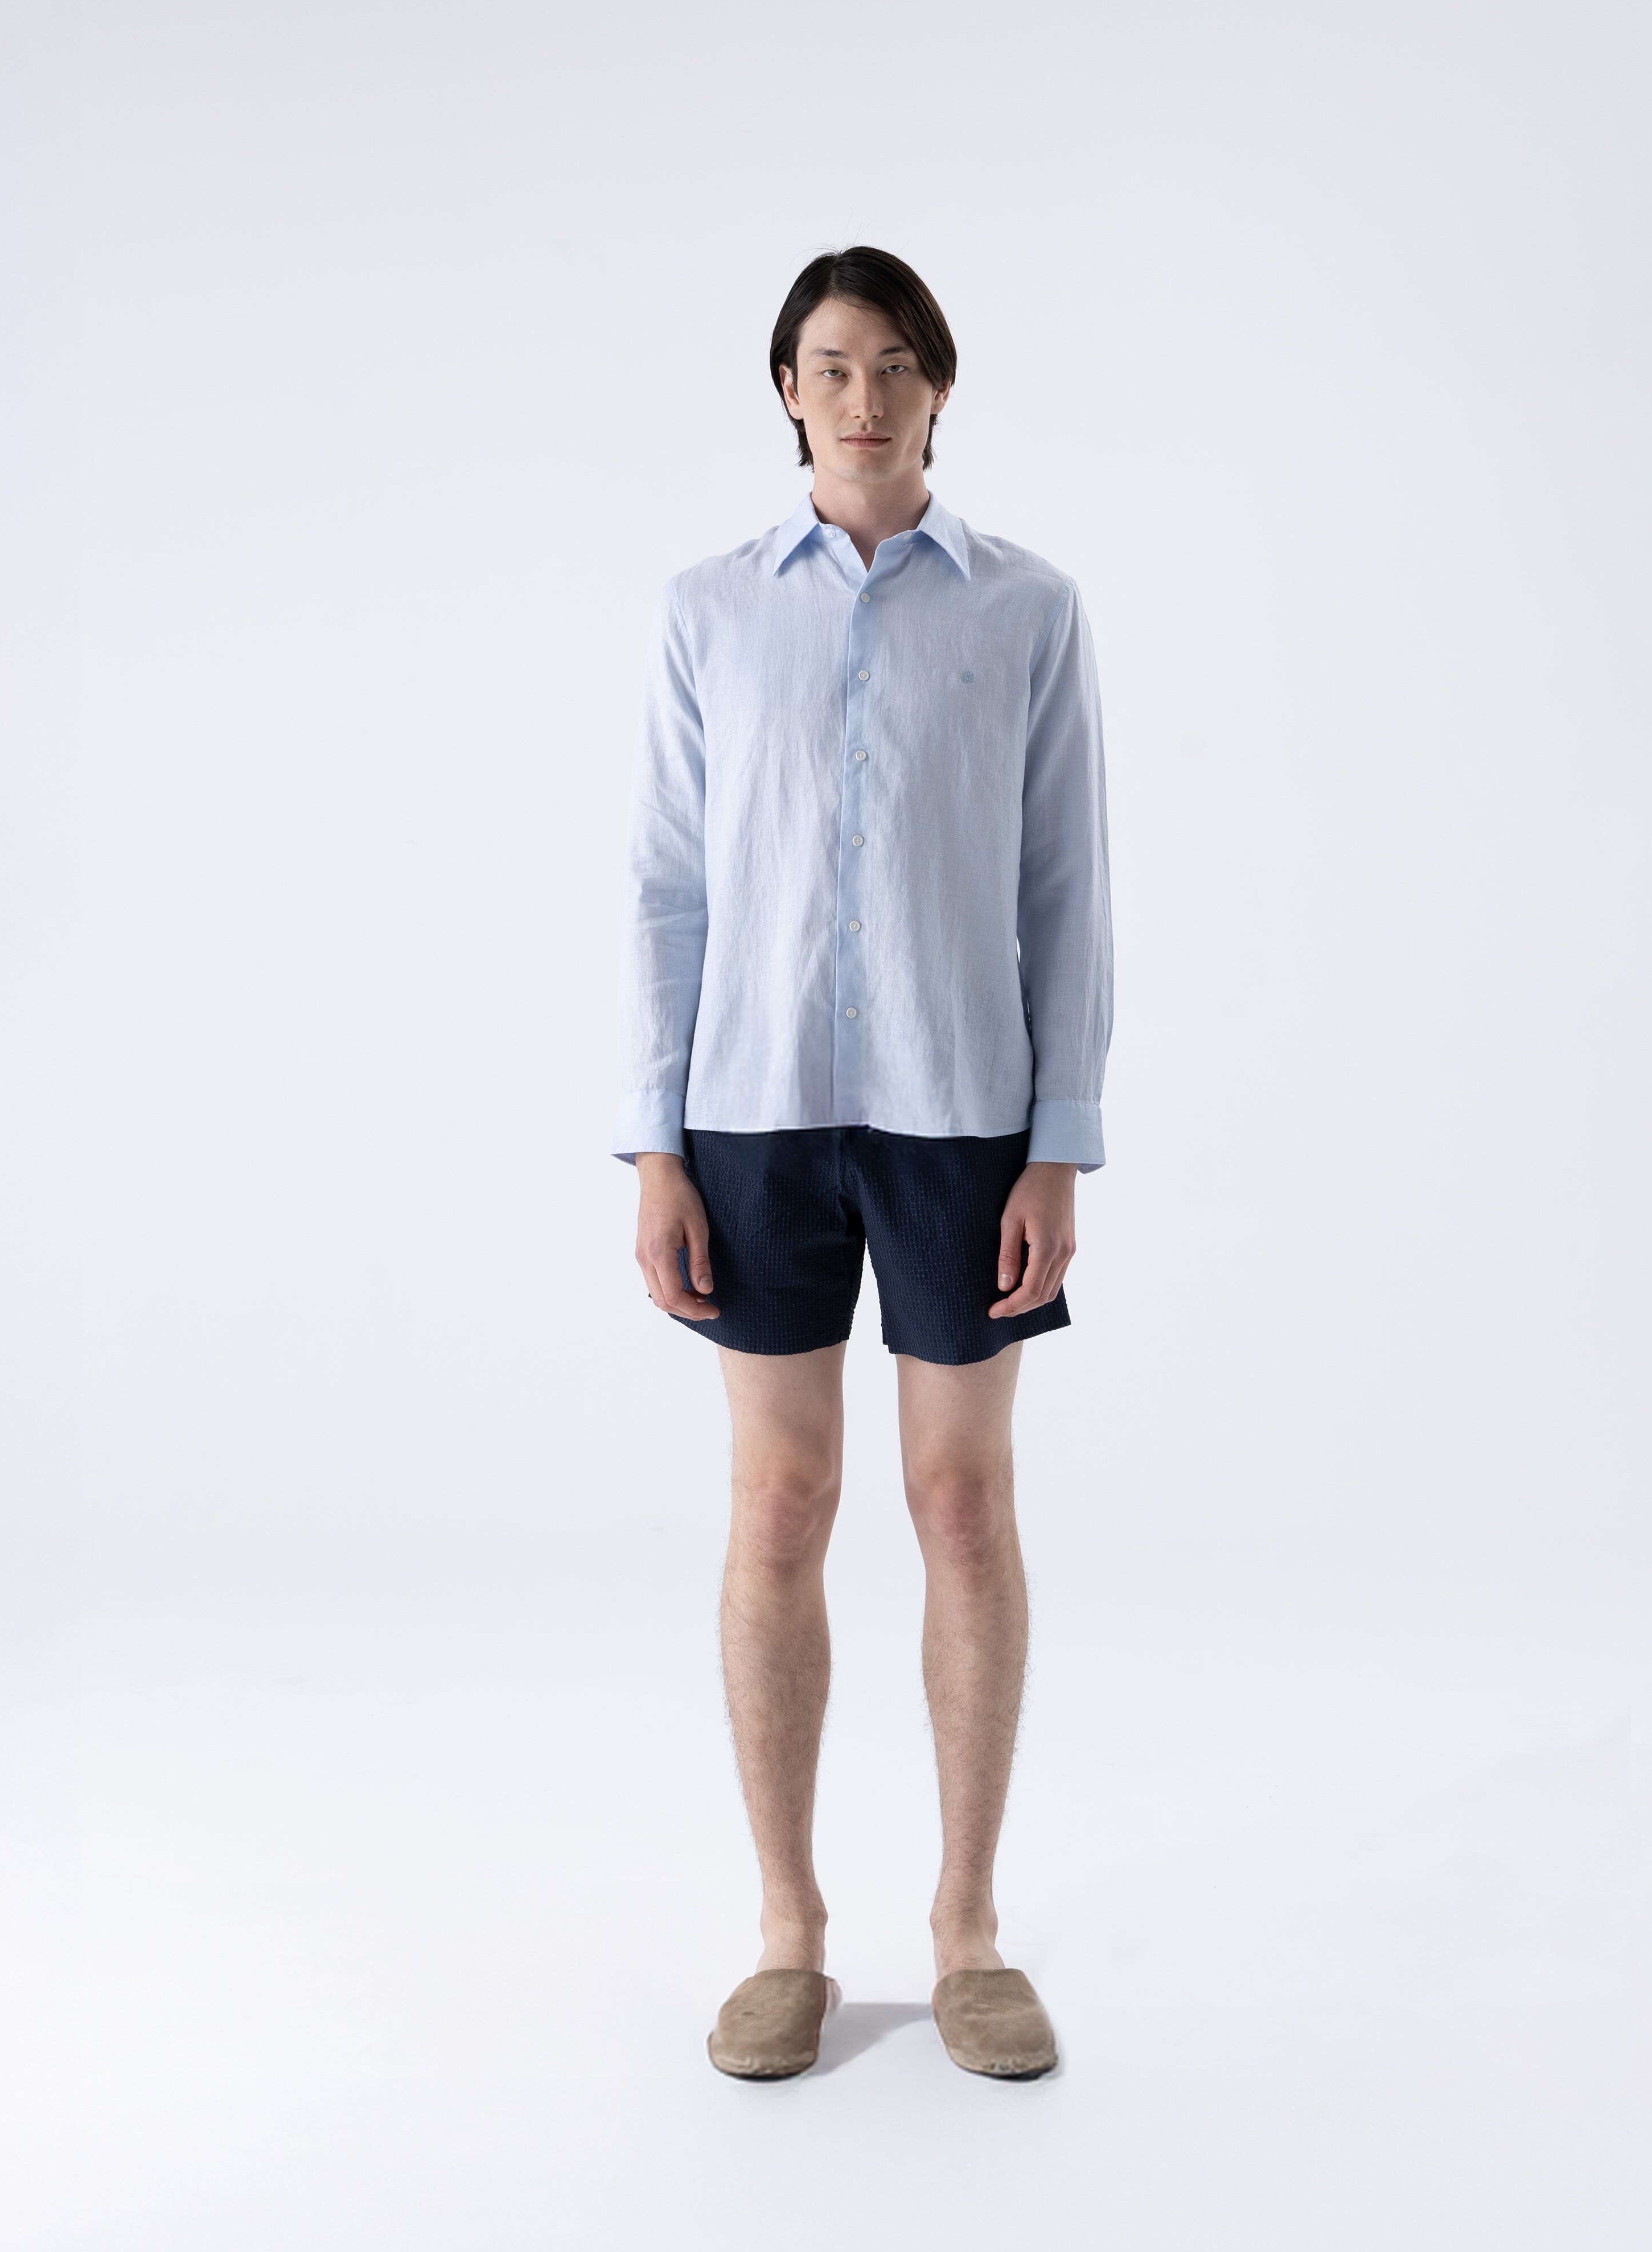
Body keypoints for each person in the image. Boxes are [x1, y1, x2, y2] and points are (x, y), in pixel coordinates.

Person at [611, 246, 1113, 2080]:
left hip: (961, 1109)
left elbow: (1065, 889)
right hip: (750, 1112)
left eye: (896, 363)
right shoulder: (708, 611)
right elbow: (667, 886)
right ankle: (790, 1933)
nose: (865, 395)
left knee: (961, 1504)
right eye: (832, 364)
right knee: (779, 1504)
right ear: (788, 391)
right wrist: (653, 1144)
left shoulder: (1027, 608)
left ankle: (968, 1930)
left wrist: (1061, 1143)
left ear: (940, 389)